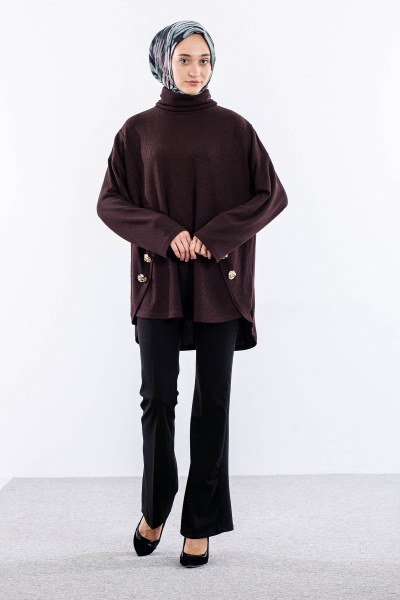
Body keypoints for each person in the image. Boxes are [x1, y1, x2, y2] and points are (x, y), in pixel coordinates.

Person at [96, 20, 288, 568]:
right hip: (158, 281)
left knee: (212, 404)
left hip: (218, 283)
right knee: (158, 399)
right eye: (184, 59)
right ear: (163, 62)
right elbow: (110, 202)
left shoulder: (235, 129)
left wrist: (214, 237)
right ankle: (155, 508)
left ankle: (199, 523)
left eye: (204, 60)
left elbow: (271, 195)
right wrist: (165, 233)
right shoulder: (137, 132)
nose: (196, 70)